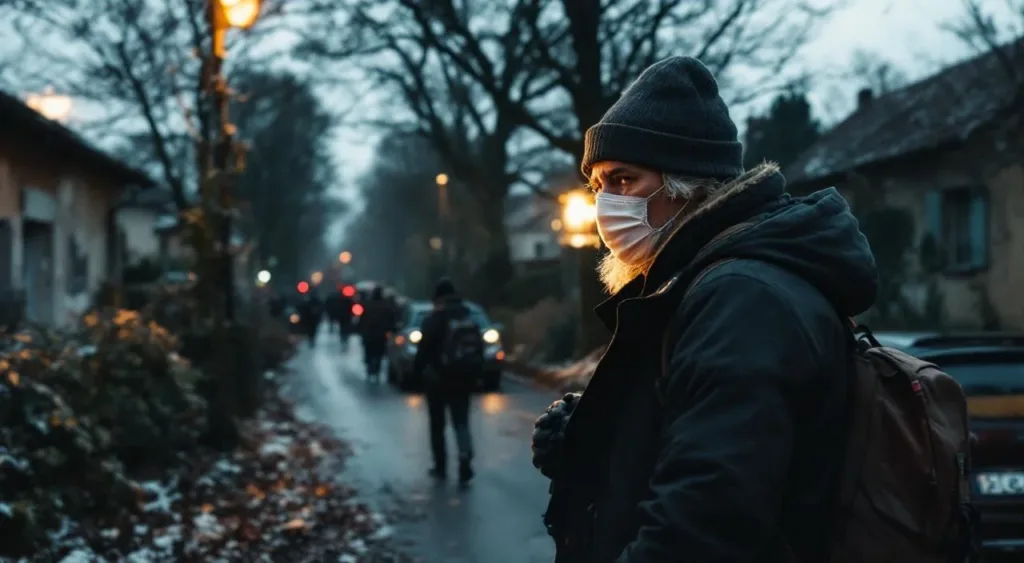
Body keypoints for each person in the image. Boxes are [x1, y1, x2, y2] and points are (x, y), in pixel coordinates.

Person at [531, 56, 879, 562]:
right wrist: (592, 441)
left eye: (624, 180)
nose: (606, 205)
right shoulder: (704, 284)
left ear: (687, 184)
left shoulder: (742, 301)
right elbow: (688, 438)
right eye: (598, 185)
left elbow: (703, 524)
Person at [414, 279, 482, 484]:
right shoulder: (467, 316)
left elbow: (424, 350)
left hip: (438, 381)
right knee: (461, 422)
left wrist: (418, 373)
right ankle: (465, 460)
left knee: (438, 425)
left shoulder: (435, 318)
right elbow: (477, 348)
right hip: (463, 379)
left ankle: (440, 466)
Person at [359, 286, 396, 381]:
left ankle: (370, 369)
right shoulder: (386, 306)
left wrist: (360, 329)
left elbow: (362, 319)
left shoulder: (367, 304)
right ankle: (376, 370)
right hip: (380, 335)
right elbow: (391, 320)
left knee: (369, 352)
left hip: (369, 334)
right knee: (378, 354)